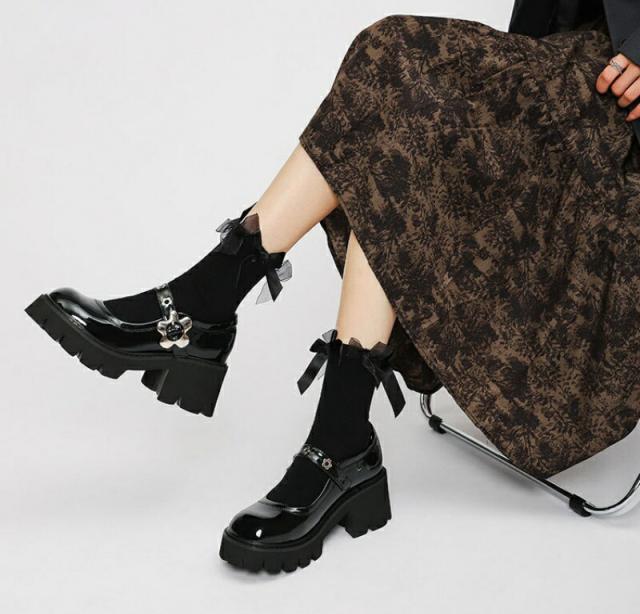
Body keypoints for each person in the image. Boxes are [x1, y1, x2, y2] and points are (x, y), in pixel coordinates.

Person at [25, 0, 640, 573]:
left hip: (621, 124)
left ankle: (206, 314)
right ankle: (332, 430)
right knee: (396, 64)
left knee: (405, 73)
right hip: (575, 64)